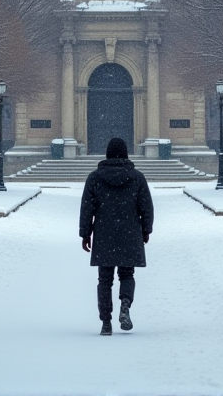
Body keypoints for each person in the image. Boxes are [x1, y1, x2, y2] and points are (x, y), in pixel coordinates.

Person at [79, 136, 154, 336]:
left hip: (104, 233)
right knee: (127, 274)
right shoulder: (137, 177)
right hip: (130, 232)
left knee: (104, 279)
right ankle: (125, 306)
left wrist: (85, 234)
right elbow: (146, 206)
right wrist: (146, 230)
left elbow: (87, 208)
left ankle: (106, 322)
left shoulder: (95, 178)